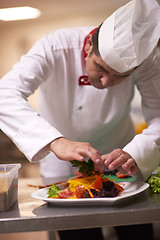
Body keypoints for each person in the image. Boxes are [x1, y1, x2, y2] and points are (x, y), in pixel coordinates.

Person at [0, 0, 160, 239]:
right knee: (79, 233)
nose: (105, 83)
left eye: (120, 77)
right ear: (88, 48)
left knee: (135, 229)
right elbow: (5, 94)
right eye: (101, 69)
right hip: (60, 162)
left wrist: (137, 151)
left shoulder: (147, 60)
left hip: (121, 158)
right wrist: (56, 141)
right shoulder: (53, 47)